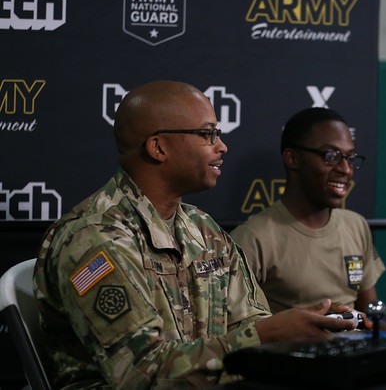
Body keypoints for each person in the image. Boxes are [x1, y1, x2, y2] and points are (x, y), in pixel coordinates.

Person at [33, 81, 356, 389]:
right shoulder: (95, 237)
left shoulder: (201, 227)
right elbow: (141, 375)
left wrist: (295, 327)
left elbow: (246, 322)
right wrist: (265, 336)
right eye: (207, 134)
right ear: (158, 147)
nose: (222, 145)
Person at [231, 108, 386, 332]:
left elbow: (369, 316)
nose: (345, 169)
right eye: (331, 156)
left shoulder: (356, 225)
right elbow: (237, 333)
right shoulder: (252, 238)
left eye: (350, 158)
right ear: (292, 158)